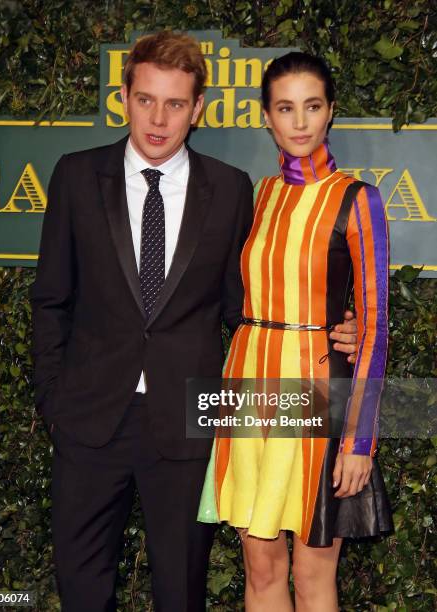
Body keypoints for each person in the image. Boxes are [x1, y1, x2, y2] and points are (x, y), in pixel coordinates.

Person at [30, 32, 358, 612]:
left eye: (176, 103)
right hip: (87, 420)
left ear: (198, 108)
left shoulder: (231, 190)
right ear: (124, 96)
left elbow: (249, 306)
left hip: (189, 423)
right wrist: (54, 401)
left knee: (181, 593)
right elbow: (51, 299)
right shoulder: (77, 177)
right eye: (146, 99)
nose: (159, 118)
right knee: (80, 589)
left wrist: (339, 325)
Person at [198, 52, 393, 611]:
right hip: (248, 386)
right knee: (260, 568)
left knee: (312, 575)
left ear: (330, 112)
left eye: (312, 107)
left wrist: (359, 442)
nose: (300, 122)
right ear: (266, 117)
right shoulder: (259, 196)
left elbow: (375, 327)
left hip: (314, 390)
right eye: (286, 108)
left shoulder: (358, 199)